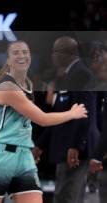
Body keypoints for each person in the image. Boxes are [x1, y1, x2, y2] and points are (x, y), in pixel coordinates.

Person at [0, 40, 88, 203]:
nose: (22, 55)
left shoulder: (27, 83)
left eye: (25, 52)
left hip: (23, 157)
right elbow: (42, 119)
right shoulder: (7, 87)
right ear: (8, 60)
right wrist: (71, 113)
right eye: (16, 53)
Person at [34, 36, 98, 203]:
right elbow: (59, 115)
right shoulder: (67, 75)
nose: (52, 56)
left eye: (55, 51)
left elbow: (85, 112)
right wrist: (40, 144)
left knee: (66, 197)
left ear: (67, 53)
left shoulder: (82, 74)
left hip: (74, 148)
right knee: (65, 195)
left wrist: (76, 145)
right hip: (65, 146)